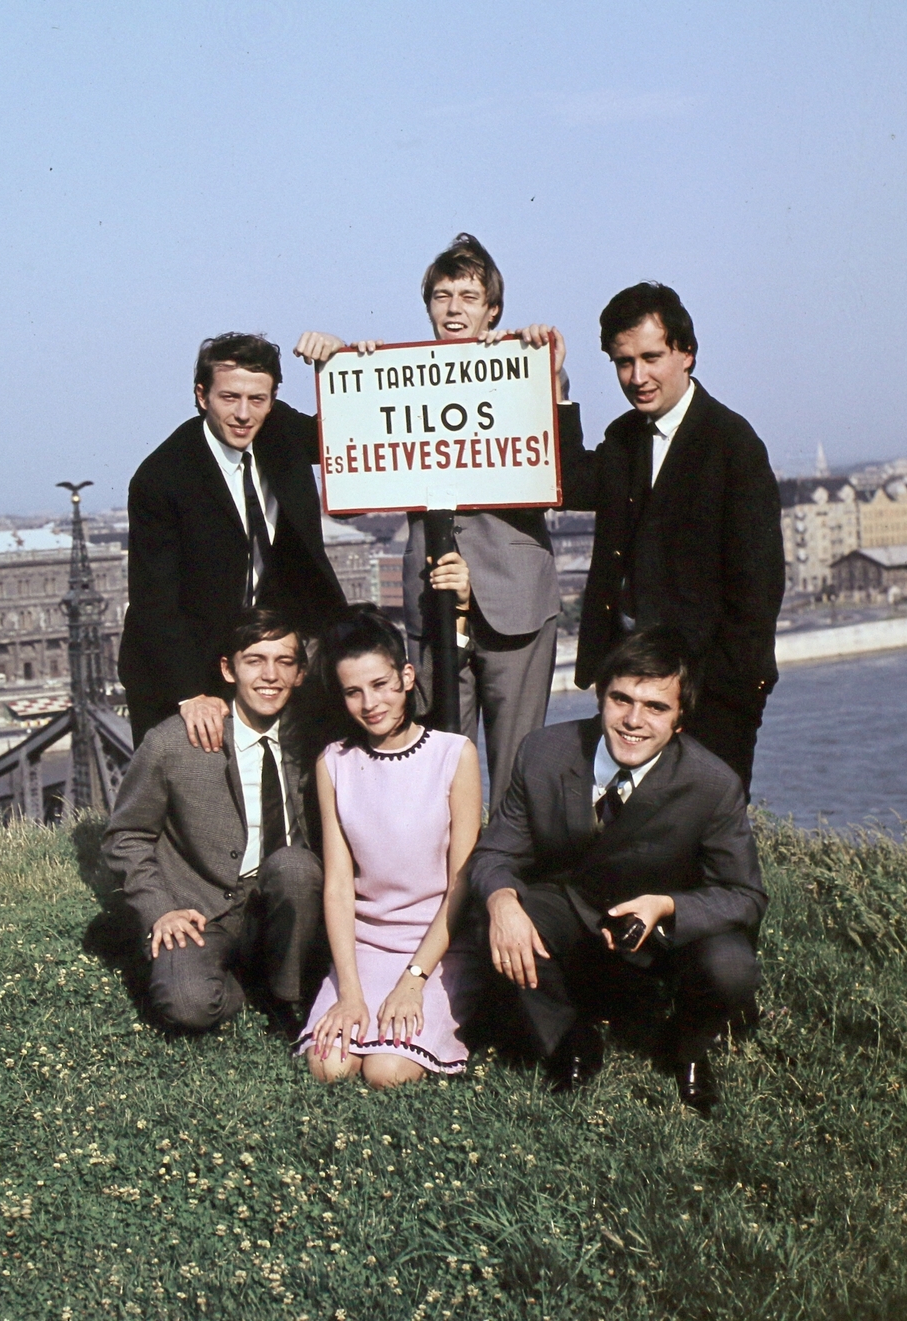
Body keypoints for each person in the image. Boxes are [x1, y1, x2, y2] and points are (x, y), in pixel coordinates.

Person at [295, 233, 585, 804]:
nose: (454, 308)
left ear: (492, 309)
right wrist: (341, 361)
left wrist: (546, 367)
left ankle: (504, 882)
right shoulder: (389, 372)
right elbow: (347, 426)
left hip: (515, 600)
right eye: (442, 295)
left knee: (516, 766)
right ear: (428, 305)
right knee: (435, 761)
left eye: (469, 296)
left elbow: (558, 457)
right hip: (432, 596)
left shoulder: (522, 365)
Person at [468, 626, 767, 1113]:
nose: (633, 721)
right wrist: (502, 901)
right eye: (621, 700)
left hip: (665, 935)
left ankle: (686, 1047)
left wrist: (667, 906)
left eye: (656, 707)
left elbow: (746, 896)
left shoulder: (713, 783)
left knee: (731, 966)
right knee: (491, 916)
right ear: (600, 698)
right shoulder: (544, 752)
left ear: (680, 720)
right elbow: (493, 855)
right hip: (574, 910)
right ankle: (569, 1038)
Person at [568, 282, 785, 793]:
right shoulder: (624, 437)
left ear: (687, 353)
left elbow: (756, 591)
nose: (637, 377)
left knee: (703, 836)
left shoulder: (734, 445)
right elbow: (572, 481)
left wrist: (720, 693)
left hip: (709, 695)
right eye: (623, 362)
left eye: (650, 357)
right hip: (630, 687)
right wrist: (557, 389)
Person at [103, 609, 327, 1036]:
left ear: (301, 674)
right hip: (199, 908)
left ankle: (286, 995)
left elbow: (393, 700)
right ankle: (251, 983)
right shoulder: (172, 742)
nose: (270, 676)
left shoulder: (315, 740)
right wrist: (160, 910)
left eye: (285, 662)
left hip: (281, 897)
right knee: (187, 1006)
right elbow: (126, 836)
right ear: (228, 669)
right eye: (255, 660)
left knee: (295, 866)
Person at [119, 332, 347, 748]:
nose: (244, 414)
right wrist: (190, 693)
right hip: (182, 662)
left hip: (264, 649)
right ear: (202, 396)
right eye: (229, 399)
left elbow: (347, 434)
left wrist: (339, 363)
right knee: (196, 794)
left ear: (273, 399)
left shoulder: (278, 431)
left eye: (258, 400)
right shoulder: (160, 478)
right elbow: (155, 601)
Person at [299, 606, 483, 1088]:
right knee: (329, 1066)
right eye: (353, 692)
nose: (370, 703)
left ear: (406, 677)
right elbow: (339, 887)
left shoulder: (454, 754)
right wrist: (351, 993)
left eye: (380, 685)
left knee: (386, 1071)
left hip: (436, 947)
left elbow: (461, 884)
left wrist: (414, 980)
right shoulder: (333, 763)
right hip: (363, 949)